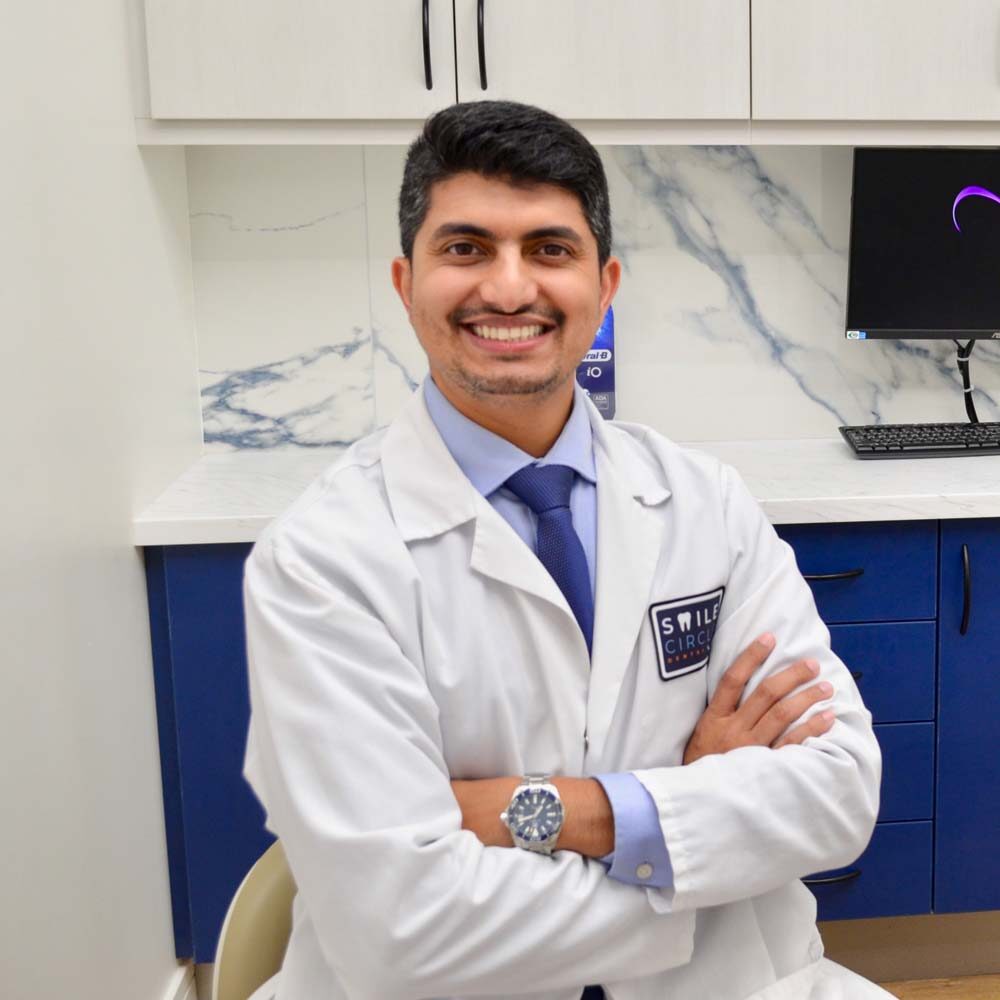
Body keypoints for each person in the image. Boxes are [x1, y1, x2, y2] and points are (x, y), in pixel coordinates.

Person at [242, 100, 891, 1000]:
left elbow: (839, 792)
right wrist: (688, 823)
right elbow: (404, 933)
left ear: (605, 283)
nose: (509, 289)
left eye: (549, 249)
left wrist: (540, 812)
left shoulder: (708, 504)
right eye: (465, 248)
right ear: (405, 282)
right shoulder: (321, 560)